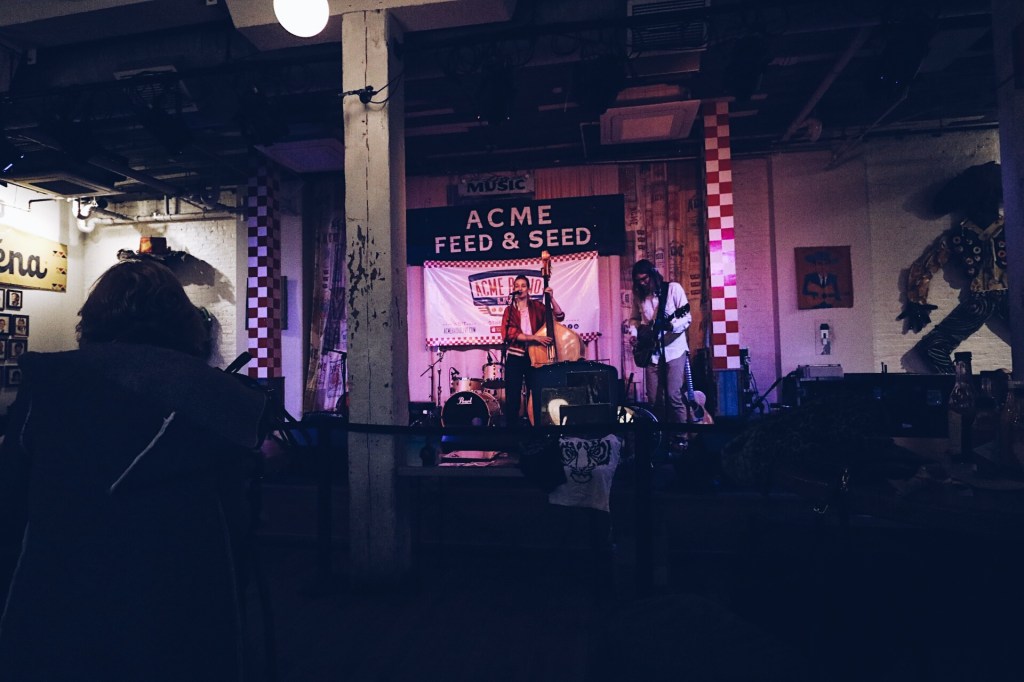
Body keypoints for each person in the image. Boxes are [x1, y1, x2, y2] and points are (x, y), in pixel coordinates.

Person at [0, 259, 269, 682]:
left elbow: (11, 499)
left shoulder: (49, 386)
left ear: (93, 318)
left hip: (56, 594)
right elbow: (232, 527)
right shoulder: (216, 398)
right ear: (184, 321)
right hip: (175, 609)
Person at [626, 259, 693, 429]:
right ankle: (661, 435)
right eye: (639, 281)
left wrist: (671, 326)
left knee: (673, 396)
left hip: (674, 350)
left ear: (653, 275)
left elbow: (686, 318)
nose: (642, 283)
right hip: (652, 352)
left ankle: (681, 436)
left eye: (645, 279)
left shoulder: (673, 289)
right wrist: (634, 334)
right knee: (654, 399)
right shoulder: (639, 297)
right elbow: (634, 319)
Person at [500, 273, 565, 426]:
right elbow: (509, 334)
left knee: (536, 392)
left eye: (523, 286)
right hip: (515, 356)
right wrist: (535, 338)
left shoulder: (537, 307)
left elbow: (559, 316)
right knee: (513, 395)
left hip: (536, 356)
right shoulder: (509, 310)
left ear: (528, 289)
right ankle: (512, 430)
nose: (520, 288)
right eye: (517, 286)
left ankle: (536, 426)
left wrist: (551, 298)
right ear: (513, 289)